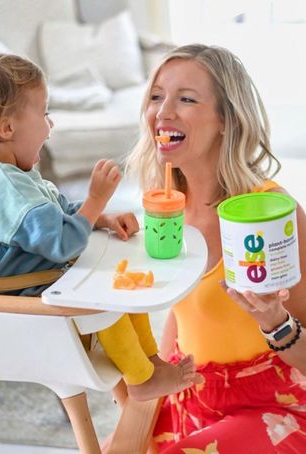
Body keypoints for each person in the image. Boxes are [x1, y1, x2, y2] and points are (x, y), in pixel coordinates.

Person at [0, 53, 202, 403]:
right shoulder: (6, 191)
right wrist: (96, 199)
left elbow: (56, 213)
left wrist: (101, 218)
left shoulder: (6, 176)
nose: (50, 125)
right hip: (15, 310)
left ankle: (149, 363)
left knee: (121, 289)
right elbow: (62, 244)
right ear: (6, 128)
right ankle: (141, 379)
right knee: (105, 297)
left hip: (30, 291)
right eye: (44, 113)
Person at [126, 44, 306, 452]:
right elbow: (179, 314)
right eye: (157, 96)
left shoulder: (271, 216)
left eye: (186, 99)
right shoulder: (167, 207)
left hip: (273, 404)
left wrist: (275, 322)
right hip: (193, 394)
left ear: (226, 120)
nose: (163, 111)